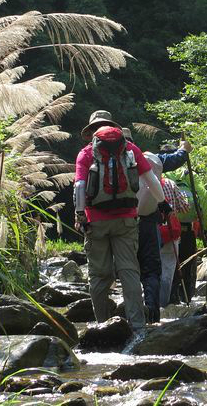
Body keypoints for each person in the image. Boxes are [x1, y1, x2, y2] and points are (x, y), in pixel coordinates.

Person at [73, 111, 163, 330]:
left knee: (99, 276)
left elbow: (79, 187)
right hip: (126, 220)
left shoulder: (85, 154)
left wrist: (80, 215)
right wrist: (163, 204)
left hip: (96, 222)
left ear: (92, 131)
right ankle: (138, 327)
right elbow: (151, 180)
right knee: (129, 272)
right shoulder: (131, 149)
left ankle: (103, 325)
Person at [160, 144, 207, 304]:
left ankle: (168, 302)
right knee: (188, 267)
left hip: (165, 230)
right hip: (187, 230)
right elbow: (203, 199)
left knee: (167, 267)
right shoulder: (188, 174)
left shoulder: (157, 173)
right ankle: (188, 303)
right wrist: (206, 229)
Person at [134, 146, 164, 324]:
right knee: (151, 271)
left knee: (127, 270)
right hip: (148, 223)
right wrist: (183, 151)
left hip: (120, 224)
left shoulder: (95, 157)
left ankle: (133, 315)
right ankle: (152, 313)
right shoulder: (148, 159)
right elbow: (176, 159)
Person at [157, 174, 188, 307]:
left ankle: (150, 302)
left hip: (149, 232)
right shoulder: (170, 183)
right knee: (167, 270)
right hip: (170, 232)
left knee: (149, 269)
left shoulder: (141, 181)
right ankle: (162, 304)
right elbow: (185, 208)